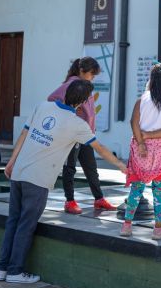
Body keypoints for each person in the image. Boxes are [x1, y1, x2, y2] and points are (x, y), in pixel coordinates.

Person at [0, 80, 127, 284]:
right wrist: (121, 165)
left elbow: (24, 133)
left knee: (13, 220)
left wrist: (12, 162)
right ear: (83, 102)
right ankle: (15, 271)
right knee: (26, 224)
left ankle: (2, 269)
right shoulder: (77, 125)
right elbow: (99, 149)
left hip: (19, 173)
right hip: (38, 180)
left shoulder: (43, 106)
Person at [121, 64, 161, 240]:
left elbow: (133, 122)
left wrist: (142, 141)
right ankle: (158, 229)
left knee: (136, 188)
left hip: (141, 149)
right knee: (159, 190)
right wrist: (151, 135)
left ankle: (126, 226)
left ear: (152, 80)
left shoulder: (142, 100)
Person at [48, 57, 116, 214]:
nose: (93, 77)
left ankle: (99, 199)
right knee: (70, 167)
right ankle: (69, 201)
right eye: (92, 74)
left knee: (91, 168)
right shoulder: (71, 84)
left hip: (86, 135)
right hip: (72, 135)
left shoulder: (85, 86)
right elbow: (52, 99)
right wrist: (70, 111)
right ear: (81, 71)